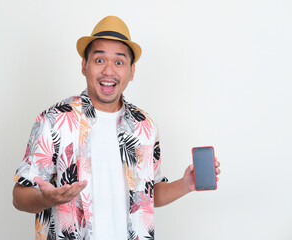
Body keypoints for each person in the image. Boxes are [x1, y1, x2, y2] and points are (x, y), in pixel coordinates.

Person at [12, 16, 221, 240]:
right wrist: (47, 199)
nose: (108, 71)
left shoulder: (145, 126)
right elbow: (19, 196)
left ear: (131, 71)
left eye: (119, 62)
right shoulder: (54, 120)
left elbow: (148, 195)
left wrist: (186, 184)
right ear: (84, 66)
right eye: (99, 60)